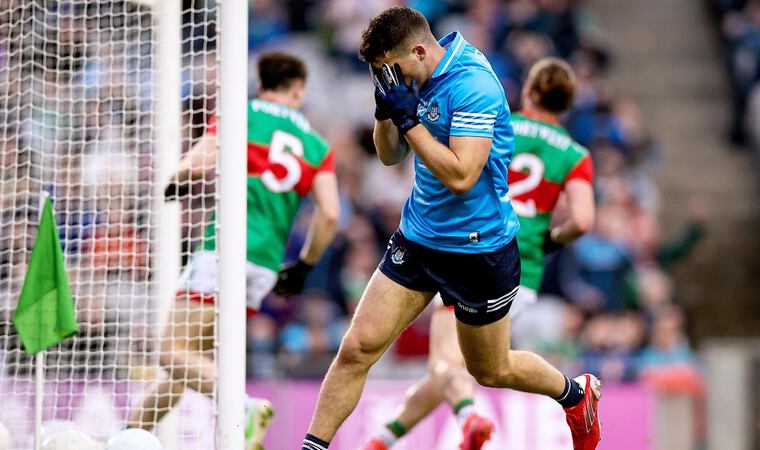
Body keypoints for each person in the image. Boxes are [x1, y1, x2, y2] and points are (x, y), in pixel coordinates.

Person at [301, 8, 601, 450]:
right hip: (419, 238)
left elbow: (462, 175)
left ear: (419, 52)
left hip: (478, 251)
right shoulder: (414, 75)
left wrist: (410, 122)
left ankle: (575, 394)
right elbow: (389, 156)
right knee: (356, 348)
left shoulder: (473, 85)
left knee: (490, 370)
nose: (391, 79)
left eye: (392, 69)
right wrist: (385, 113)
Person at [362, 58, 596, 450]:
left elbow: (457, 171)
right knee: (462, 367)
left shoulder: (496, 120)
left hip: (474, 252)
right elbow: (583, 220)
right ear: (566, 104)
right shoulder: (575, 154)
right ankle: (382, 441)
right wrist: (550, 240)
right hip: (523, 273)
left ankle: (471, 418)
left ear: (529, 90)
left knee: (446, 363)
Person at [128, 51, 340, 450]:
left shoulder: (242, 114)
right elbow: (329, 213)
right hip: (264, 265)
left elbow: (200, 161)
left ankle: (242, 404)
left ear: (261, 84)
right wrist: (303, 265)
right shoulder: (316, 145)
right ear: (298, 89)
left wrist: (177, 179)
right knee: (188, 363)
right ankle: (128, 434)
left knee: (171, 352)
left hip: (223, 253)